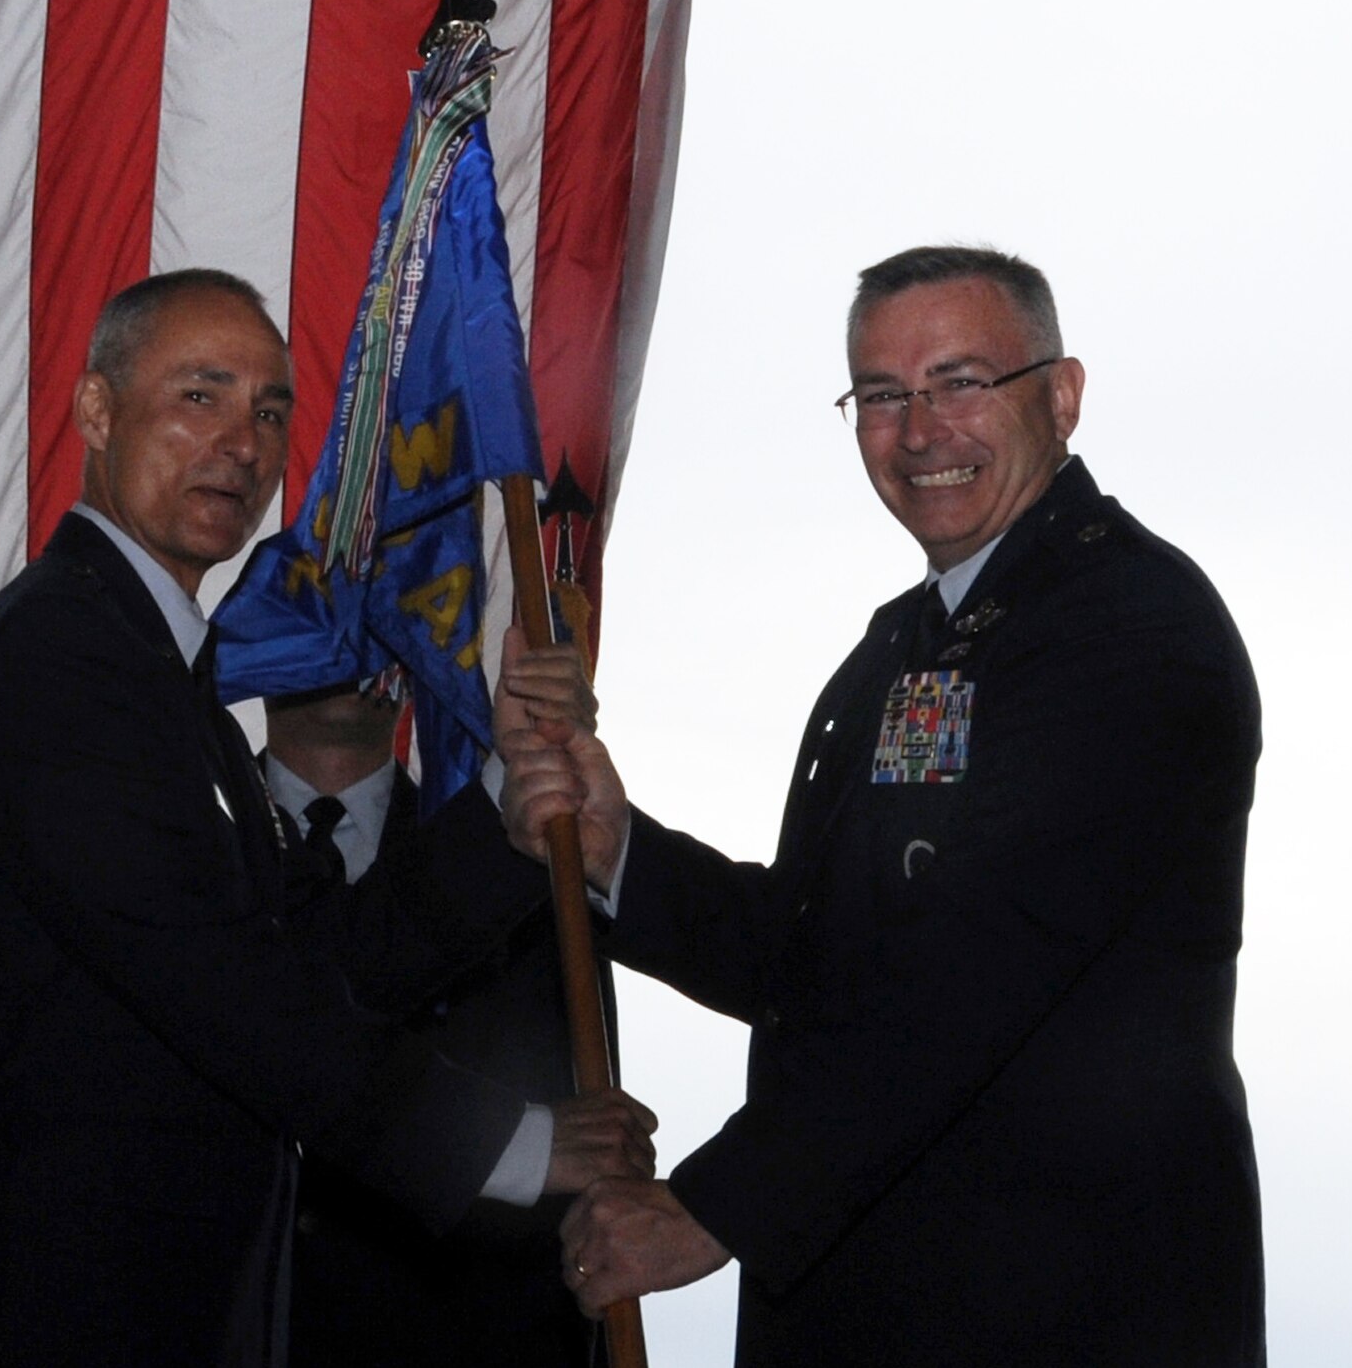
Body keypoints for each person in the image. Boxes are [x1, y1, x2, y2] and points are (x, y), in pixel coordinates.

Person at [502, 246, 1265, 1364]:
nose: (917, 432)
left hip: (1063, 1314)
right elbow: (822, 957)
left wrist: (714, 1205)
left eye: (959, 381)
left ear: (1059, 396)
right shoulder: (901, 648)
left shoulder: (1132, 629)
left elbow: (978, 967)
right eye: (879, 395)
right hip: (874, 1309)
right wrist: (623, 854)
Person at [0, 269, 653, 1367]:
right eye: (199, 396)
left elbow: (316, 953)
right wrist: (518, 1146)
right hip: (81, 1310)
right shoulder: (62, 660)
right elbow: (233, 997)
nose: (243, 443)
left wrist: (510, 796)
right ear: (98, 411)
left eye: (267, 410)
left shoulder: (166, 680)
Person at [261, 681, 607, 1368]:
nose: (346, 625)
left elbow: (583, 1156)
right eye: (314, 586)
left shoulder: (537, 867)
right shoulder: (169, 840)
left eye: (373, 591)